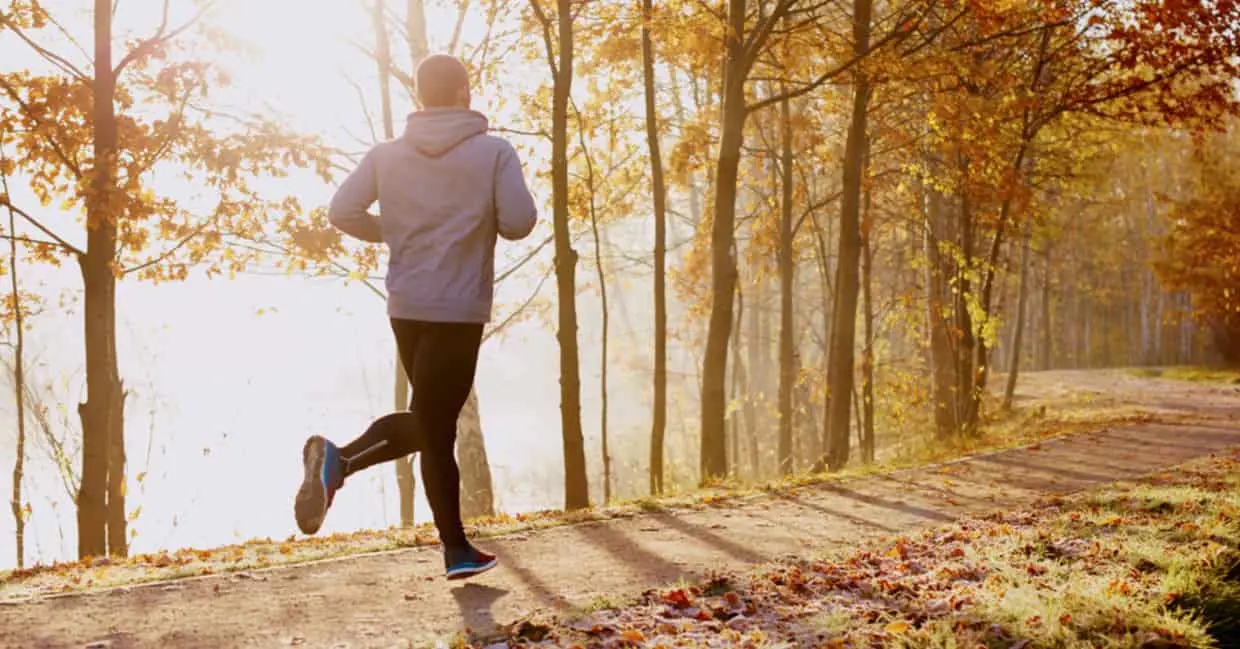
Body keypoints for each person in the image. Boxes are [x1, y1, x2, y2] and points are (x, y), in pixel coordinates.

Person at [293, 53, 537, 581]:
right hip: (457, 308)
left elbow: (342, 212)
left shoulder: (386, 155)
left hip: (406, 305)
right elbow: (519, 222)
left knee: (431, 419)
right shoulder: (494, 153)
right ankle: (443, 540)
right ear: (464, 93)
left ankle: (441, 538)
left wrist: (401, 230)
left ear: (421, 98)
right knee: (436, 422)